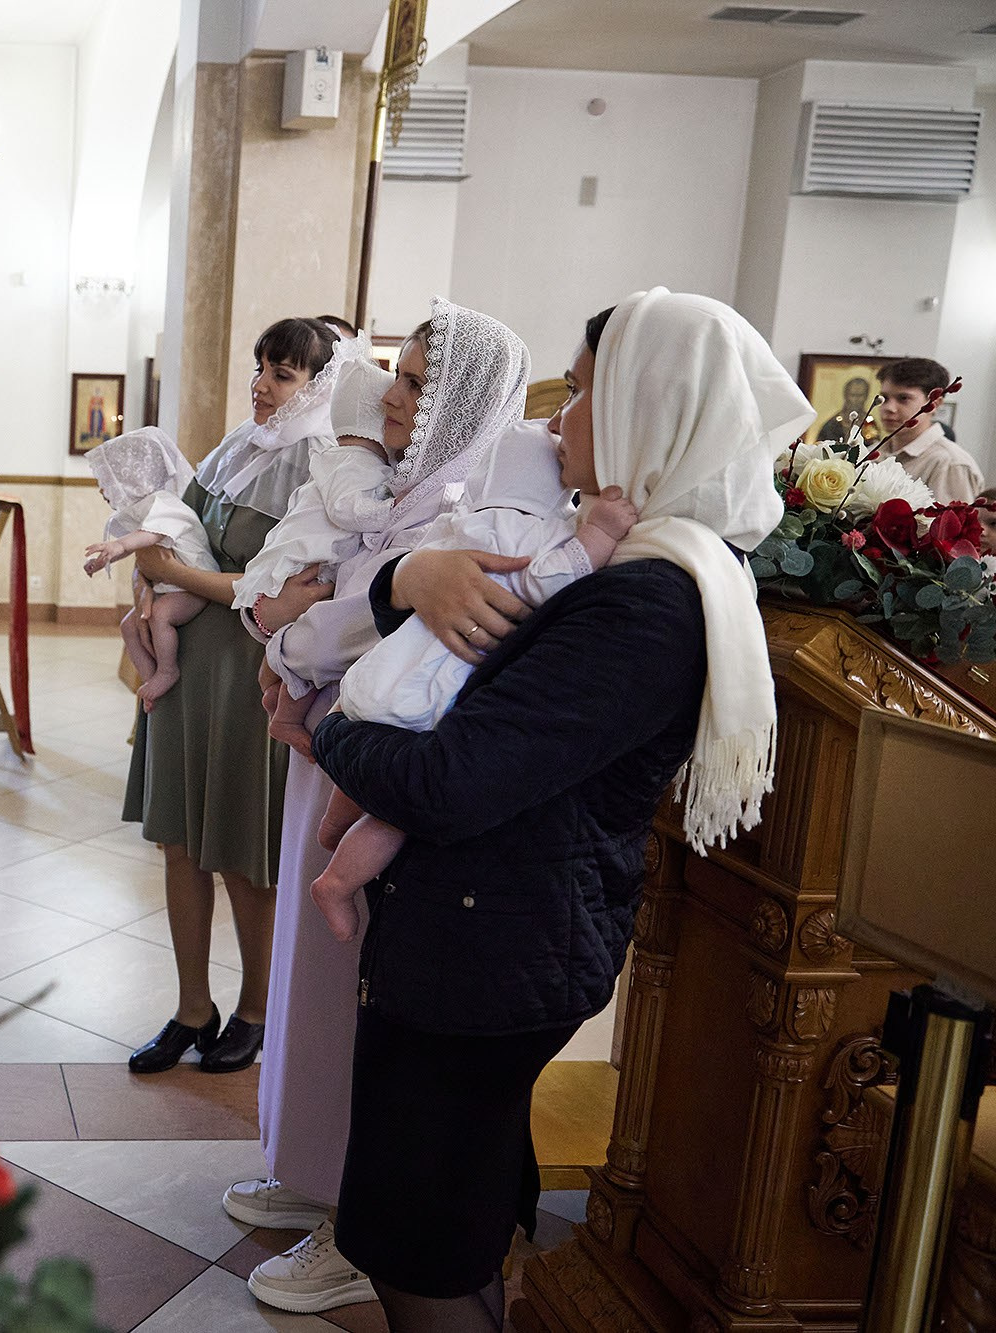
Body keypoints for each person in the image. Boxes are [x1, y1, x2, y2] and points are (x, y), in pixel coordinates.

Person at [308, 289, 811, 1330]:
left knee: (416, 1249)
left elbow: (450, 781)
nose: (560, 417)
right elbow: (455, 641)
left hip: (490, 953)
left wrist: (333, 731)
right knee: (451, 1222)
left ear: (646, 409)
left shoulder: (648, 600)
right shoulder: (631, 560)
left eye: (582, 392)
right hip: (490, 937)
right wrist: (408, 579)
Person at [227, 301, 530, 1316]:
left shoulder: (459, 512)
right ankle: (312, 1166)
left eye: (414, 383)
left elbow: (356, 622)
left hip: (379, 761)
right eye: (396, 376)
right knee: (309, 972)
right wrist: (281, 627)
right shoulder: (392, 488)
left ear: (461, 404)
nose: (390, 397)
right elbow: (304, 595)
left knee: (350, 982)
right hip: (331, 740)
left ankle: (355, 1224)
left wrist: (282, 638)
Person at [308, 423, 640, 941]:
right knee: (393, 815)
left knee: (363, 762)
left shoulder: (460, 523)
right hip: (430, 693)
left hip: (384, 674)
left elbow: (402, 579)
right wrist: (597, 535)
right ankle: (336, 882)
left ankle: (332, 828)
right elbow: (546, 581)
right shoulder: (531, 533)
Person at [122, 315, 339, 1076]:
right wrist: (150, 573)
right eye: (260, 367)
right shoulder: (236, 448)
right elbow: (176, 530)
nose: (262, 385)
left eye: (283, 374)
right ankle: (192, 1008)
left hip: (250, 674)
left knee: (246, 855)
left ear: (319, 386)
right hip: (189, 670)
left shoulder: (324, 467)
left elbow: (273, 591)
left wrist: (175, 576)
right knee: (180, 844)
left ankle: (254, 1008)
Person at [234, 334, 395, 754]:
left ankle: (281, 706)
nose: (260, 384)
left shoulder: (333, 457)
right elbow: (349, 510)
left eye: (280, 374)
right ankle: (285, 715)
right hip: (308, 566)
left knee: (293, 653)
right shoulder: (356, 463)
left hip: (298, 573)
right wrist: (389, 510)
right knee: (299, 649)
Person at [81, 426, 218, 707]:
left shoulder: (164, 504)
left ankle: (167, 671)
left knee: (160, 615)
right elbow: (138, 544)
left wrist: (118, 546)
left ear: (133, 477)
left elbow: (149, 536)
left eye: (109, 481)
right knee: (128, 626)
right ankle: (149, 680)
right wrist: (105, 559)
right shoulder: (144, 508)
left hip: (195, 586)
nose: (103, 489)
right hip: (170, 586)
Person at [874, 357, 983, 505]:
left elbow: (951, 519)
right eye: (884, 398)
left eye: (903, 398)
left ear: (934, 404)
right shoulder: (873, 452)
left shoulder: (949, 463)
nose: (889, 408)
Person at [814, 374, 872, 444]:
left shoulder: (870, 423)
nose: (856, 399)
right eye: (853, 395)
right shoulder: (832, 425)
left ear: (866, 396)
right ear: (846, 395)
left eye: (860, 395)